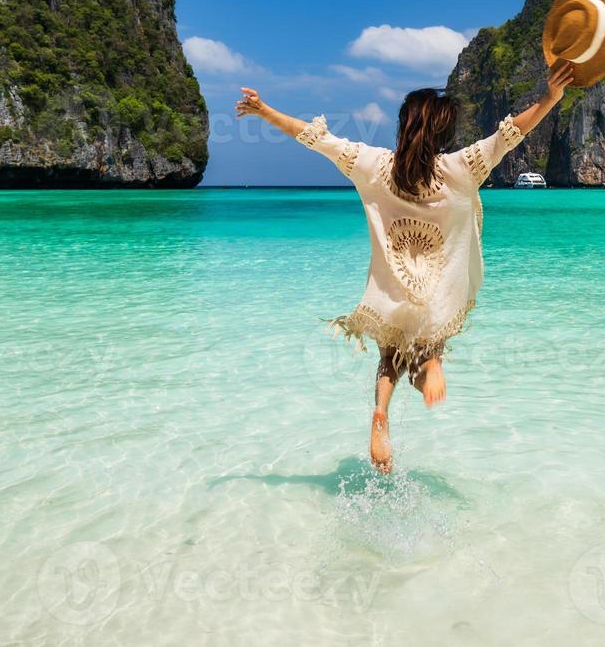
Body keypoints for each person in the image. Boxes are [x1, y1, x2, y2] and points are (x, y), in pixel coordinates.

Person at [235, 61, 576, 472]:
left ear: (403, 126)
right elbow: (510, 134)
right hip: (437, 301)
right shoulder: (461, 168)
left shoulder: (371, 165)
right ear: (445, 134)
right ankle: (430, 365)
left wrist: (264, 110)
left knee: (388, 359)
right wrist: (549, 98)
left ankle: (381, 414)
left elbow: (314, 138)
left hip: (392, 295)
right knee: (423, 361)